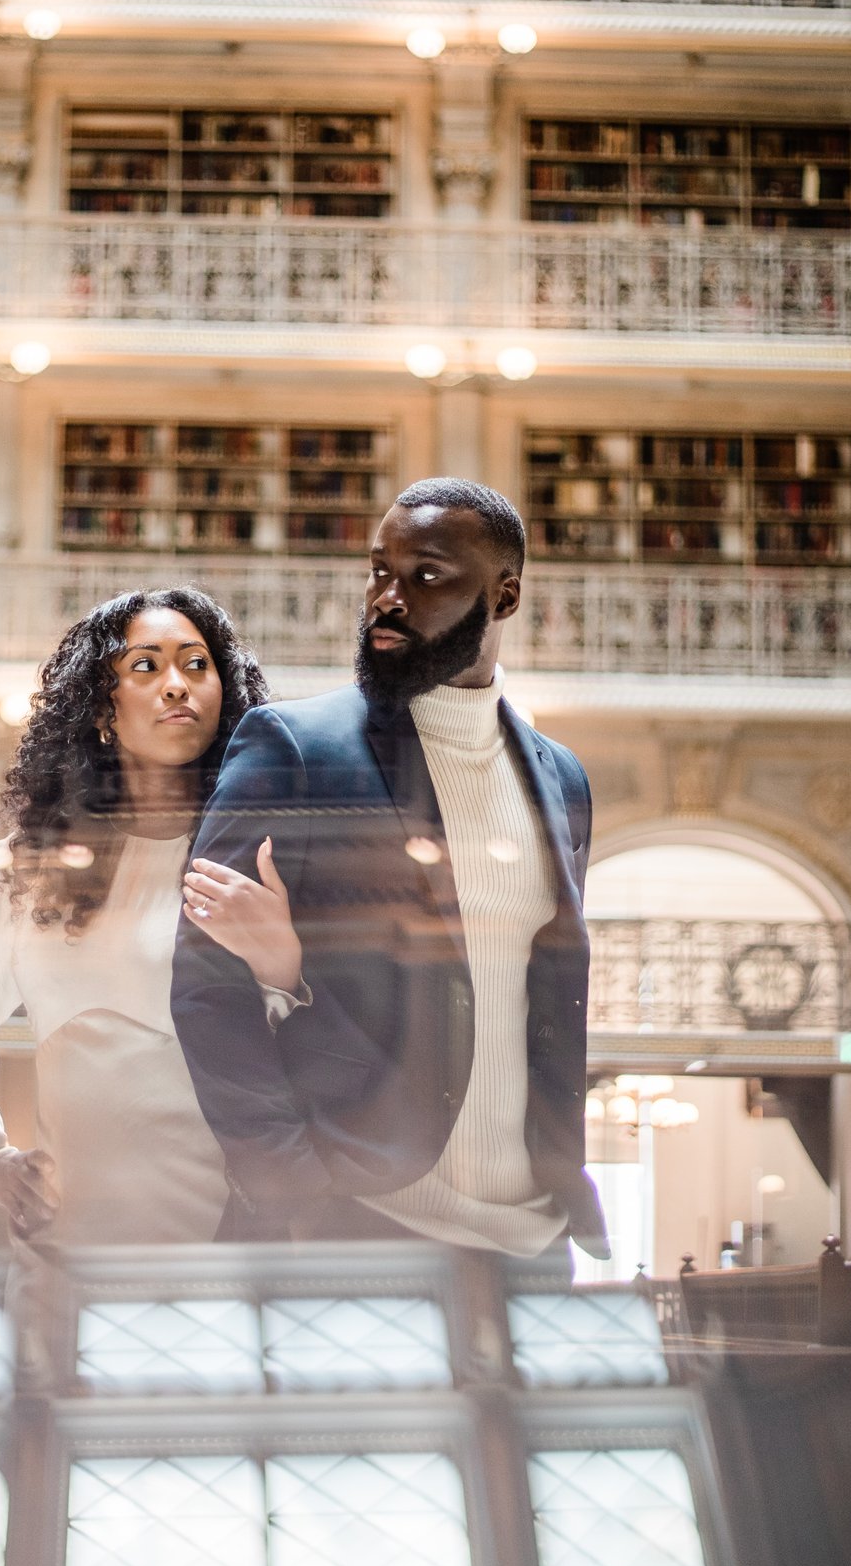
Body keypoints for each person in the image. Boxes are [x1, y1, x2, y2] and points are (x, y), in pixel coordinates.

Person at [171, 479, 608, 1257]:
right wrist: (293, 1187)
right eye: (379, 571)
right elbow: (208, 989)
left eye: (427, 576)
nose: (387, 598)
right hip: (364, 1222)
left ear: (503, 597)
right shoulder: (294, 748)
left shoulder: (562, 777)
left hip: (535, 1241)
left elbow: (543, 993)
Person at [0, 589, 303, 1244]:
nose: (177, 685)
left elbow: (321, 1043)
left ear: (224, 693)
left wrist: (283, 965)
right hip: (69, 1241)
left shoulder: (262, 856)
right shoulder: (32, 867)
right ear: (102, 705)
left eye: (196, 664)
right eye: (147, 666)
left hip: (234, 1235)